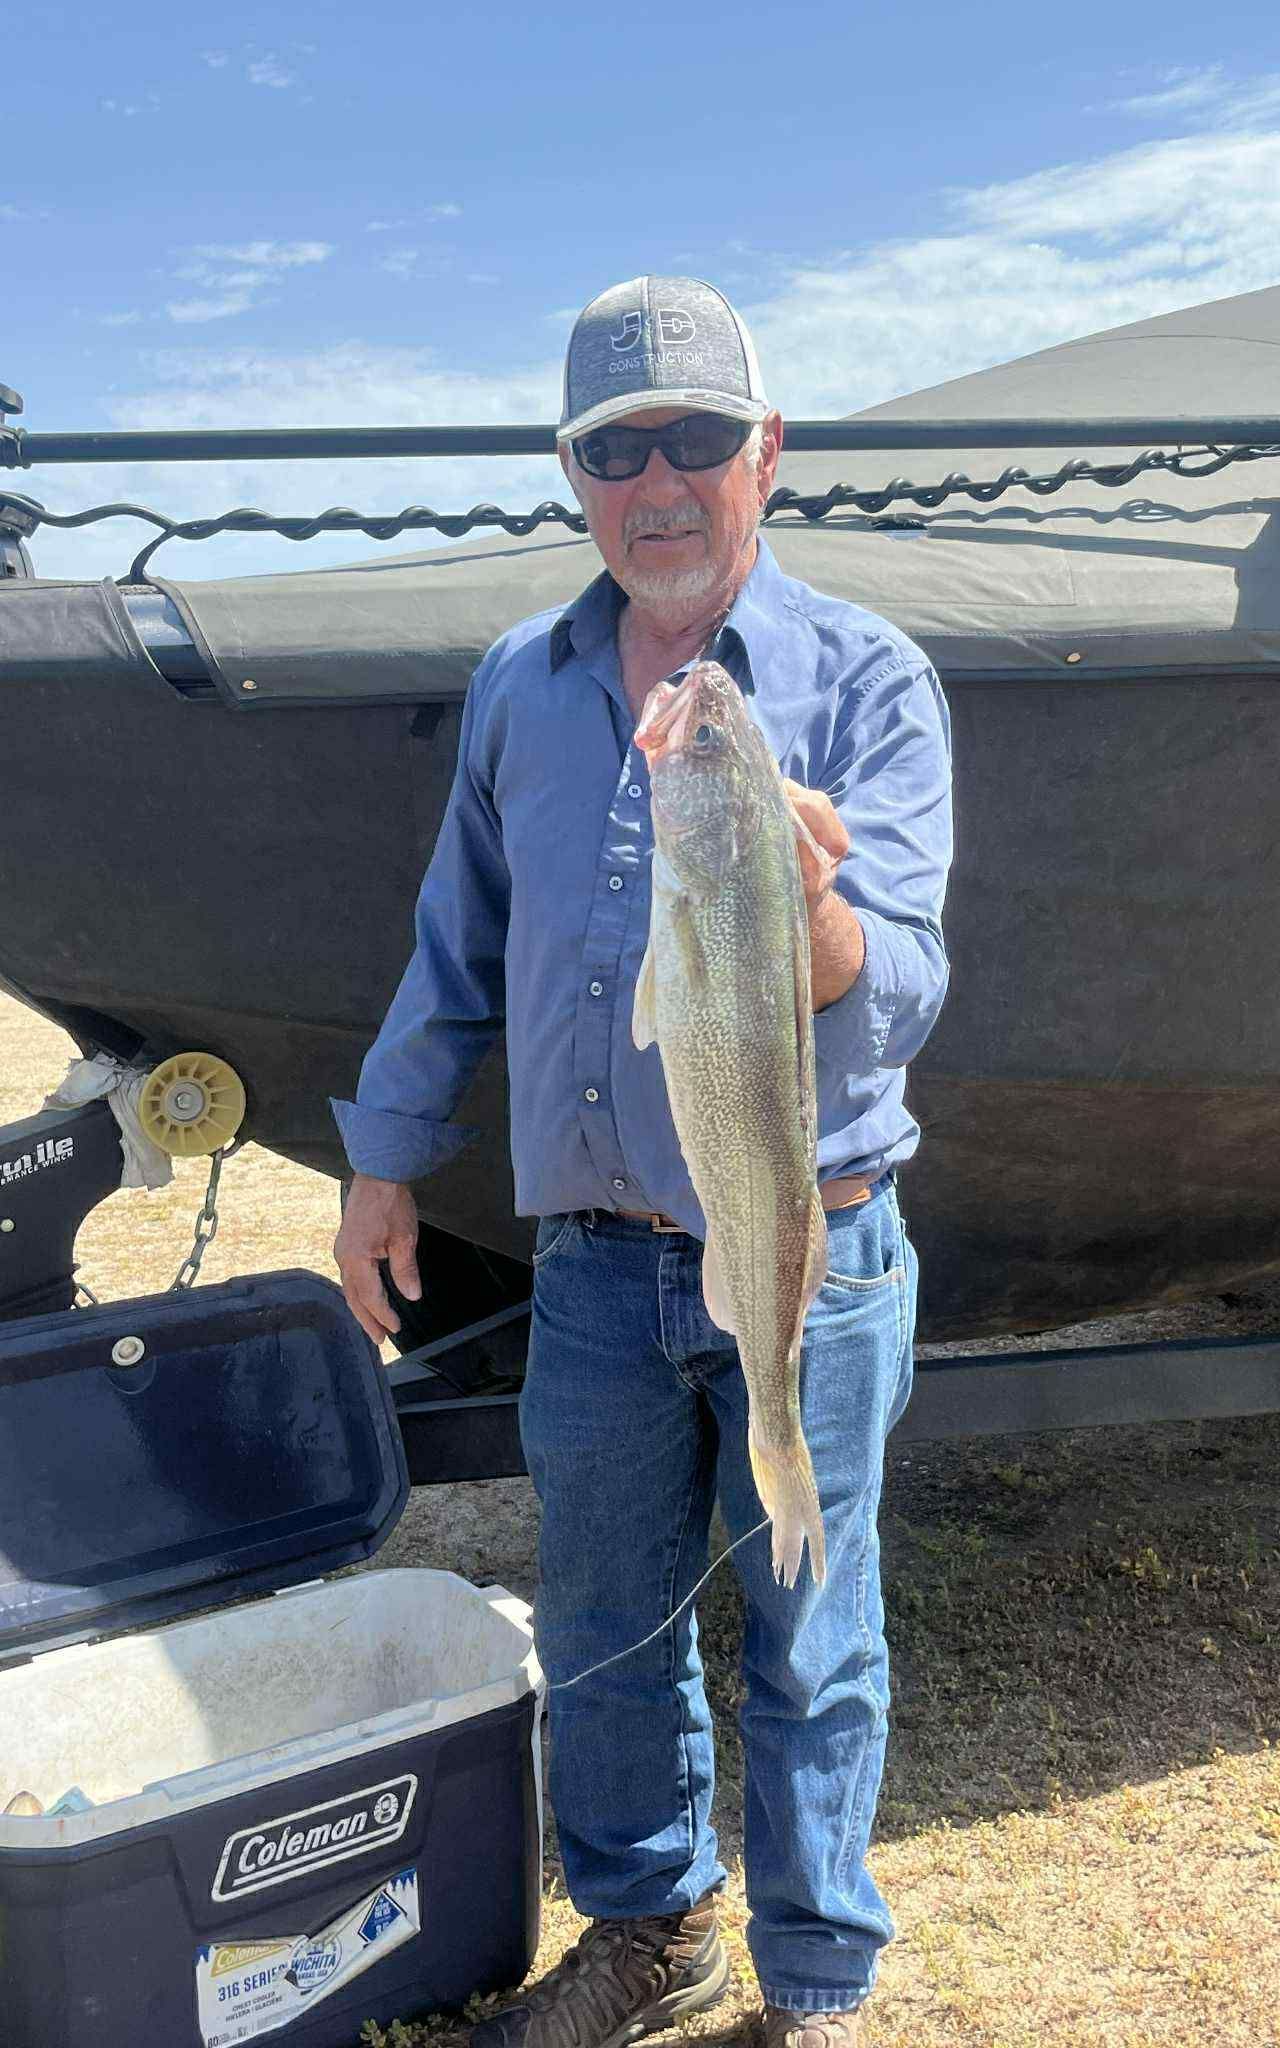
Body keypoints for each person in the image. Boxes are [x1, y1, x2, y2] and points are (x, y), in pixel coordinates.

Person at [331, 275, 953, 2048]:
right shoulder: (518, 689)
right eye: (618, 449)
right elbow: (456, 944)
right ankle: (646, 1931)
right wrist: (384, 1159)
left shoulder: (871, 683)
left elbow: (905, 979)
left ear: (770, 452)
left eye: (697, 439)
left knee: (812, 1630)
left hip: (805, 1248)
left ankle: (817, 1980)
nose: (658, 482)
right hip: (595, 1267)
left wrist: (819, 911)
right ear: (575, 475)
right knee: (604, 1618)